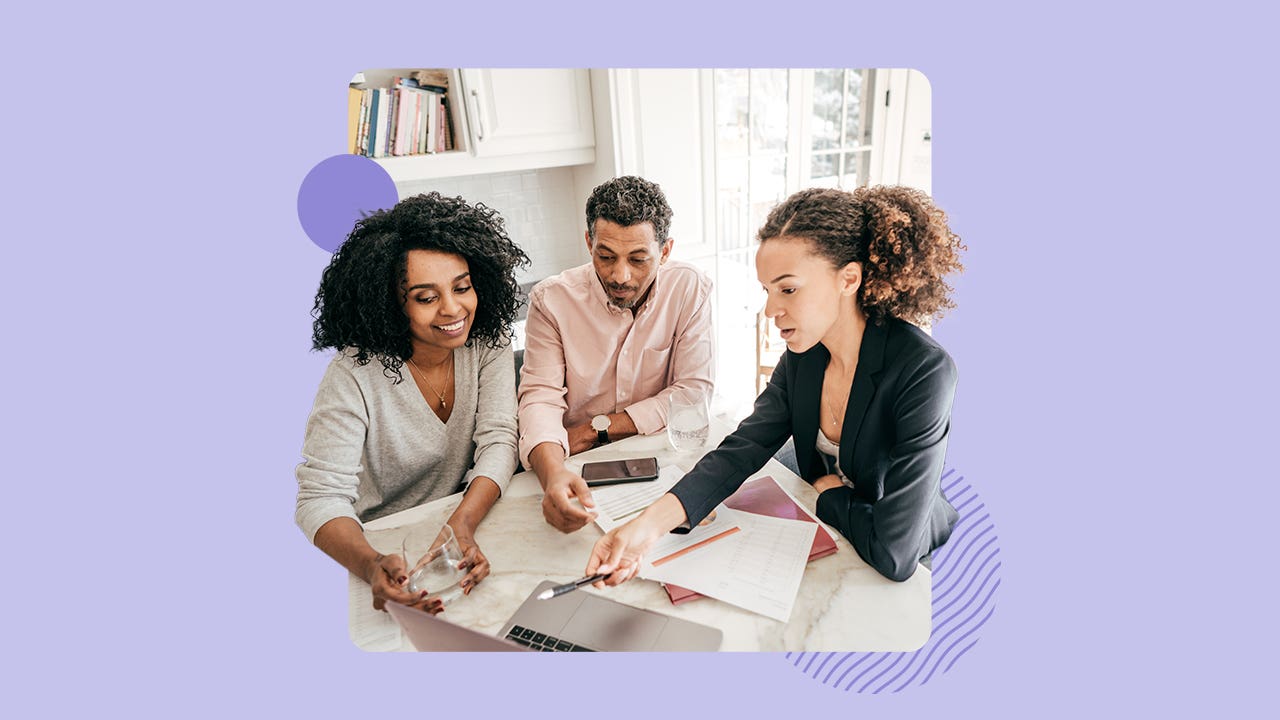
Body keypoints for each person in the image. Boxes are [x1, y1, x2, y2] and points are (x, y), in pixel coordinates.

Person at [586, 185, 965, 584]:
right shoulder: (806, 355)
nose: (770, 310)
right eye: (767, 291)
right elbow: (744, 446)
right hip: (836, 533)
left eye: (788, 289)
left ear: (848, 279)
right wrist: (644, 529)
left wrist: (828, 492)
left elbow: (894, 554)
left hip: (911, 559)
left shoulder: (923, 371)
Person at [295, 192, 529, 613]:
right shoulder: (353, 373)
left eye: (462, 287)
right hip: (381, 546)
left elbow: (499, 439)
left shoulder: (487, 340)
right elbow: (319, 498)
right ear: (391, 304)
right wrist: (372, 565)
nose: (453, 308)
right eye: (426, 297)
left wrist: (463, 522)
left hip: (465, 517)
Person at [517, 176, 714, 533]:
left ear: (665, 251)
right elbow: (539, 399)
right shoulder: (551, 301)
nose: (620, 275)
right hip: (576, 465)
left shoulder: (689, 288)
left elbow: (692, 394)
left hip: (659, 457)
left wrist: (598, 429)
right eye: (605, 256)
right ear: (589, 241)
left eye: (639, 259)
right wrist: (553, 477)